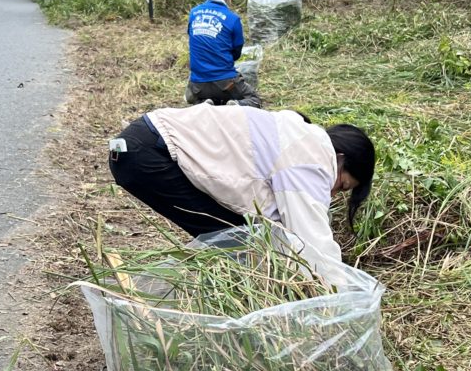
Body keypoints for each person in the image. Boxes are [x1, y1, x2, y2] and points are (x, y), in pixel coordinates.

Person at [108, 103, 375, 286]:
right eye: (342, 185)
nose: (333, 192)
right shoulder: (313, 156)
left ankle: (190, 297)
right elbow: (313, 241)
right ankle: (170, 299)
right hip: (149, 153)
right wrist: (340, 297)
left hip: (140, 147)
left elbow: (278, 227)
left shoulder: (297, 137)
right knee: (238, 240)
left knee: (239, 236)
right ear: (339, 159)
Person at [185, 0, 262, 107]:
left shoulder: (194, 13)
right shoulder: (233, 19)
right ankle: (235, 104)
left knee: (191, 96)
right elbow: (236, 53)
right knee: (254, 99)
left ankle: (204, 102)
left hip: (198, 84)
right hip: (226, 83)